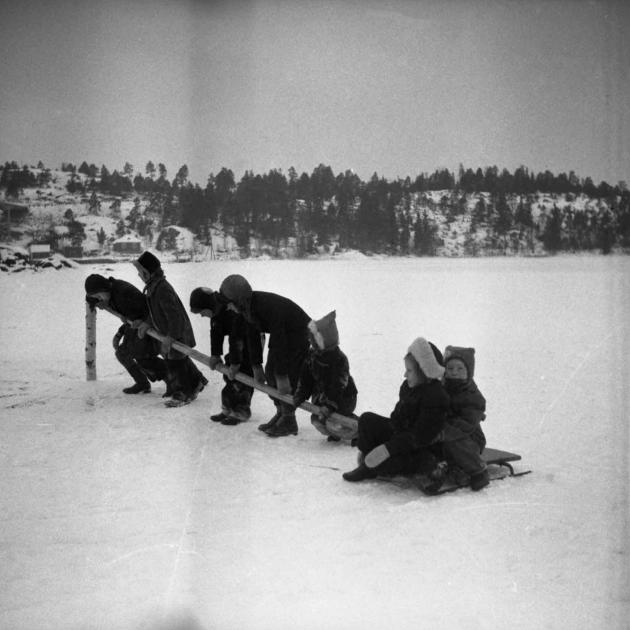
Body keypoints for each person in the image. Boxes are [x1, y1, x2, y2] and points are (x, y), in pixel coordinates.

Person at [342, 337, 449, 482]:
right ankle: (368, 466)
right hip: (402, 438)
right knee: (367, 419)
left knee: (388, 464)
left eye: (409, 371)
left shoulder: (436, 397)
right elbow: (398, 416)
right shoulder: (408, 386)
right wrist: (388, 433)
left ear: (423, 372)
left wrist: (388, 448)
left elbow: (420, 437)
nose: (405, 375)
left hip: (422, 448)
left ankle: (376, 466)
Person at [219, 274, 310, 437]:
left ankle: (289, 419)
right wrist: (256, 366)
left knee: (285, 376)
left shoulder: (267, 306)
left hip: (299, 334)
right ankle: (281, 412)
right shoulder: (248, 309)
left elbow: (279, 341)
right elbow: (252, 336)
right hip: (282, 335)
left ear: (239, 300)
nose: (228, 308)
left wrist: (282, 376)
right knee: (270, 373)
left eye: (230, 303)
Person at [132, 251, 207, 407]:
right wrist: (147, 323)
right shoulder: (153, 287)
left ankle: (183, 392)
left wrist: (171, 337)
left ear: (147, 273)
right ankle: (197, 381)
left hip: (177, 332)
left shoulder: (162, 289)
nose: (139, 275)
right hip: (169, 332)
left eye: (140, 272)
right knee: (178, 359)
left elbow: (174, 316)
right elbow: (154, 312)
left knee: (176, 362)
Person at [84, 273, 169, 395]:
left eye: (99, 295)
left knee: (144, 358)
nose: (99, 299)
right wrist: (101, 302)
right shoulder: (110, 292)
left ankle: (172, 380)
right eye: (96, 297)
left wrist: (142, 322)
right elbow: (92, 298)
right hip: (134, 325)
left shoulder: (124, 292)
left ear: (104, 288)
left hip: (148, 325)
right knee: (122, 353)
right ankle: (142, 383)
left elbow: (148, 309)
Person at [189, 287, 254, 425]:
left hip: (250, 342)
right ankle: (228, 408)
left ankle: (241, 411)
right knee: (229, 376)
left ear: (207, 305)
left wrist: (236, 363)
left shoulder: (230, 310)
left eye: (201, 311)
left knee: (242, 376)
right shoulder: (216, 313)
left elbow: (237, 338)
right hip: (236, 344)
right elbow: (216, 333)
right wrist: (215, 355)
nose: (201, 315)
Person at [293, 310, 358, 442]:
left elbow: (338, 385)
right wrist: (300, 394)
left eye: (314, 340)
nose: (311, 342)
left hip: (343, 399)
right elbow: (306, 379)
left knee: (335, 422)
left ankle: (357, 431)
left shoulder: (339, 360)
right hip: (322, 398)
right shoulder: (312, 357)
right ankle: (336, 432)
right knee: (317, 421)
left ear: (323, 341)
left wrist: (329, 405)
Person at [438, 346, 489, 491]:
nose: (454, 372)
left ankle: (478, 470)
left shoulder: (473, 397)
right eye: (450, 368)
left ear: (469, 372)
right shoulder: (442, 389)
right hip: (445, 435)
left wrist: (443, 432)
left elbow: (465, 424)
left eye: (460, 369)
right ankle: (454, 468)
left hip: (469, 440)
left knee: (454, 442)